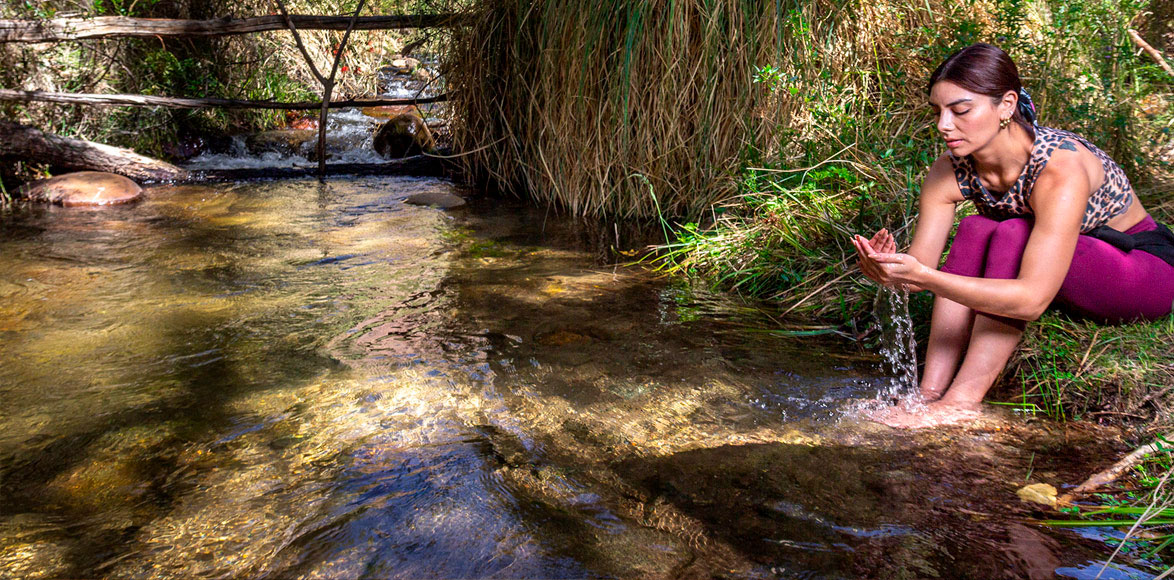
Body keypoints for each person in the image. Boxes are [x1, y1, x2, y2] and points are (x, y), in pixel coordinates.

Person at [853, 43, 1174, 428]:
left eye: (961, 110)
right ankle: (930, 393)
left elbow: (1031, 301)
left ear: (1006, 105)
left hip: (1142, 268)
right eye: (937, 111)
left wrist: (926, 277)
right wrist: (892, 270)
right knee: (976, 227)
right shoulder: (949, 170)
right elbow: (920, 272)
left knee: (1013, 232)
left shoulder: (1060, 167)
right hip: (1067, 260)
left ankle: (962, 401)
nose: (944, 125)